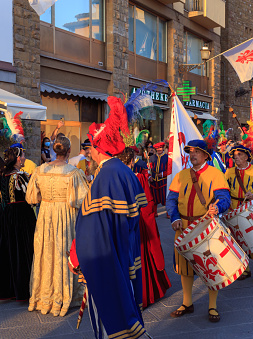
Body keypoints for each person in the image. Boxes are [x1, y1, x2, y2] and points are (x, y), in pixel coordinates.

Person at [70, 97, 148, 338]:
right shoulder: (124, 171)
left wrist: (76, 256)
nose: (89, 151)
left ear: (98, 148)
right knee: (126, 302)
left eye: (91, 146)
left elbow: (95, 228)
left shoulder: (106, 177)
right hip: (125, 251)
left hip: (108, 257)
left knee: (110, 315)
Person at [166, 139, 231, 323]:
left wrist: (217, 208)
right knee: (184, 267)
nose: (192, 154)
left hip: (206, 227)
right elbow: (171, 200)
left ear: (205, 155)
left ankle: (212, 306)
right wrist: (175, 217)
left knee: (210, 267)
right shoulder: (181, 175)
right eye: (190, 151)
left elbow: (224, 198)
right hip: (184, 227)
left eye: (197, 151)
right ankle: (187, 303)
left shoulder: (216, 174)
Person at [26, 135, 88, 316]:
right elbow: (83, 200)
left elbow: (31, 198)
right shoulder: (73, 173)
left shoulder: (39, 170)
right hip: (65, 217)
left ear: (54, 150)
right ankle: (65, 295)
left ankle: (42, 297)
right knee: (63, 252)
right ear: (68, 151)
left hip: (45, 215)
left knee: (46, 252)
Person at [117, 147, 171, 308]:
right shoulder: (138, 177)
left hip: (120, 223)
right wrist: (150, 225)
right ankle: (144, 294)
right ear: (132, 161)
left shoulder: (113, 178)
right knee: (141, 257)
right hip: (137, 221)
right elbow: (147, 205)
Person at [0, 146, 36, 301]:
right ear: (18, 158)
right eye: (23, 155)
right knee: (22, 249)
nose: (24, 158)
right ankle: (23, 290)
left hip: (5, 215)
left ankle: (7, 290)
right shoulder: (21, 176)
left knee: (7, 249)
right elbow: (31, 197)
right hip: (20, 215)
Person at [225, 145, 253, 283]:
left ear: (246, 157)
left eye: (239, 155)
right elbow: (225, 191)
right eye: (234, 155)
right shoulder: (229, 172)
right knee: (238, 240)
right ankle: (245, 269)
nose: (236, 157)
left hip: (251, 209)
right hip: (234, 210)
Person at [149, 142, 168, 210]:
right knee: (154, 197)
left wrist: (163, 174)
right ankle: (155, 212)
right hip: (153, 180)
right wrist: (149, 177)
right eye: (157, 148)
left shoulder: (167, 157)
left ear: (163, 148)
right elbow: (149, 168)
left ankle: (168, 212)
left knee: (164, 197)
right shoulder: (152, 157)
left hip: (163, 180)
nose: (159, 149)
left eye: (160, 148)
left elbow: (169, 169)